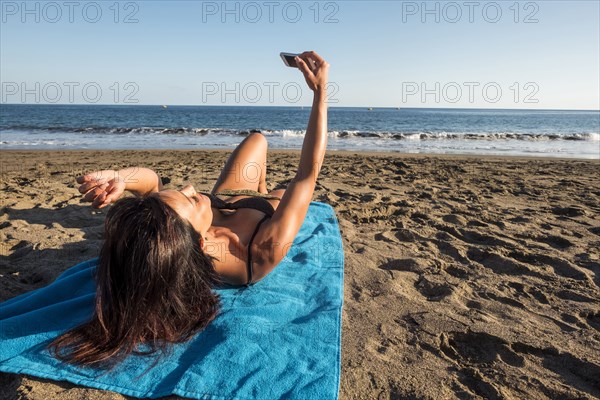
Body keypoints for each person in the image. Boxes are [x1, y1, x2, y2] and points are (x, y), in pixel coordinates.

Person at [46, 51, 330, 369]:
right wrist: (320, 91)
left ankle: (257, 184)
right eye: (192, 200)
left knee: (257, 138)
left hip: (228, 196)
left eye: (184, 192)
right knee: (280, 190)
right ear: (201, 243)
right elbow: (307, 174)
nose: (192, 188)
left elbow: (152, 182)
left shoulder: (173, 236)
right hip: (262, 211)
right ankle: (263, 191)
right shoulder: (259, 250)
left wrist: (121, 179)